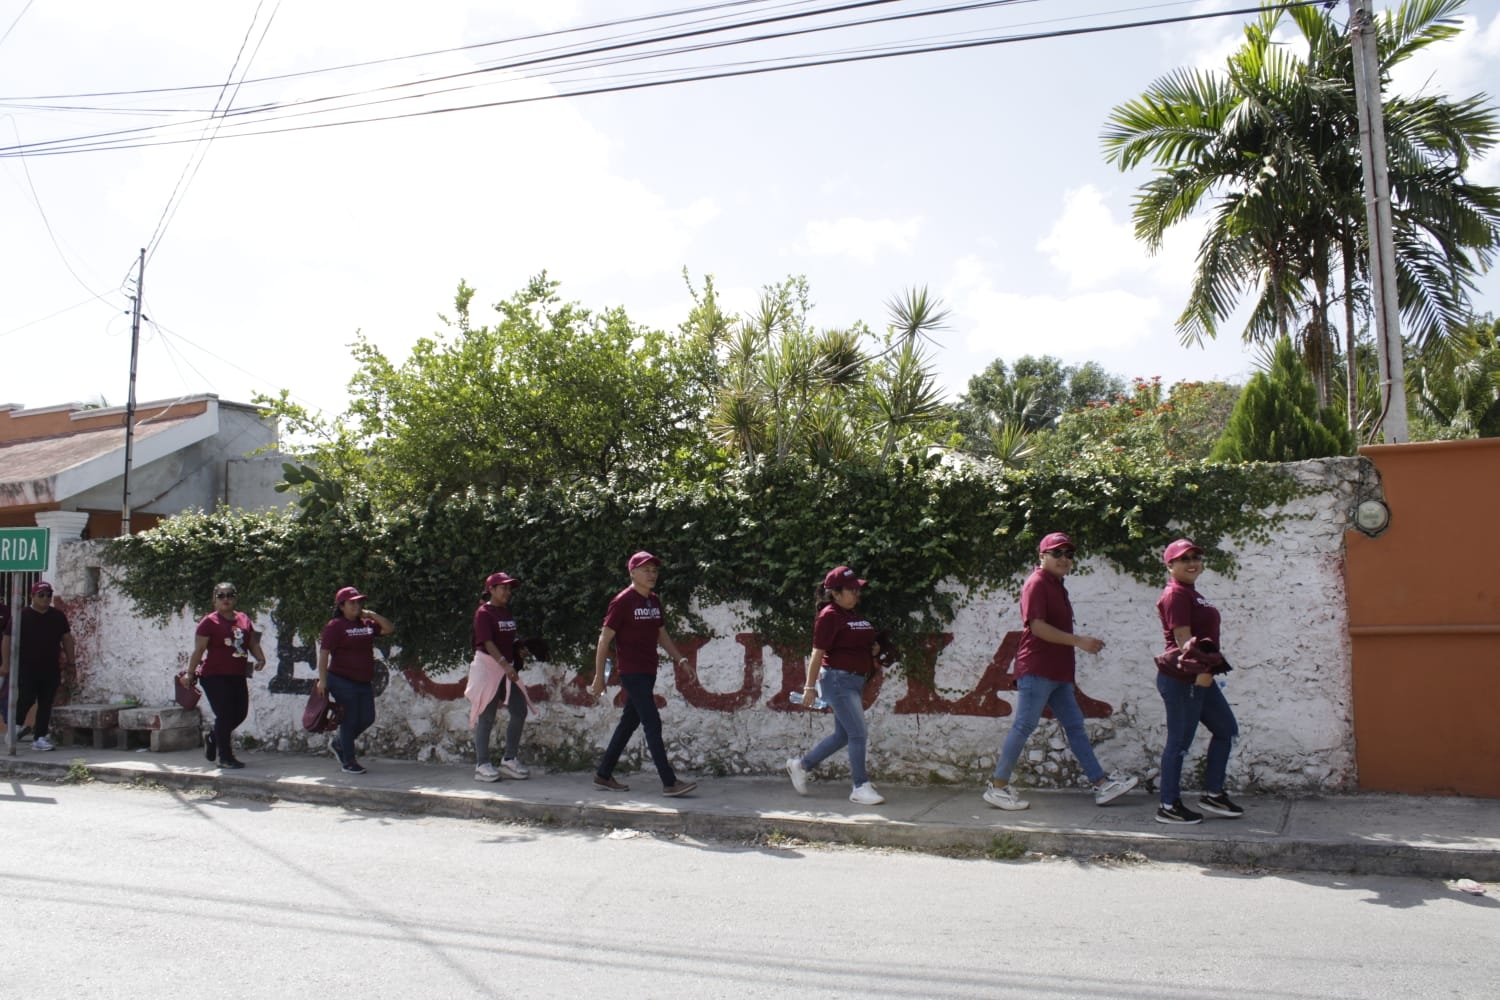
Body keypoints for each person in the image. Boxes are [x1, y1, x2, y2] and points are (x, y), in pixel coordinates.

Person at [983, 533, 1138, 810]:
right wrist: (1079, 641)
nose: (1064, 559)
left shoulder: (1056, 585)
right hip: (1038, 669)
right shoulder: (1037, 583)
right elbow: (1037, 627)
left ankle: (1101, 785)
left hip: (1058, 672)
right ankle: (998, 787)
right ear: (1042, 556)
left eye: (1069, 554)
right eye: (1057, 553)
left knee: (1075, 726)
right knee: (1025, 725)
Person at [588, 551, 697, 797]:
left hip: (649, 670)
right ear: (632, 572)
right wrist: (598, 676)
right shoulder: (622, 601)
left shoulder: (654, 600)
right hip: (632, 671)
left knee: (629, 722)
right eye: (646, 570)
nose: (652, 574)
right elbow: (604, 640)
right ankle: (669, 782)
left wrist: (680, 659)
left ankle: (603, 774)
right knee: (652, 721)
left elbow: (662, 634)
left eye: (654, 570)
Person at [1154, 538, 1243, 825]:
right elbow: (1184, 641)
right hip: (1184, 679)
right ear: (1170, 565)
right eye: (1184, 559)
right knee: (1179, 742)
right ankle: (1168, 804)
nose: (1192, 562)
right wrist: (1202, 672)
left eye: (1196, 557)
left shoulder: (1191, 593)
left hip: (1202, 676)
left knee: (1225, 729)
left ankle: (1213, 793)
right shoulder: (1176, 595)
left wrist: (1207, 672)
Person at [786, 566, 886, 805]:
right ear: (836, 593)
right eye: (851, 590)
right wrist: (809, 688)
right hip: (838, 680)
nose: (856, 594)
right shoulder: (829, 615)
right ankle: (860, 786)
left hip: (854, 680)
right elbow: (817, 652)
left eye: (857, 590)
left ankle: (802, 765)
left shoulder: (852, 614)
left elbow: (855, 641)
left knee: (843, 735)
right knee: (858, 733)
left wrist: (873, 649)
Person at [180, 582, 268, 769]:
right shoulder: (209, 622)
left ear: (235, 598)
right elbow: (199, 649)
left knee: (241, 713)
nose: (226, 599)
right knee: (225, 714)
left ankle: (213, 736)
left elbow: (252, 643)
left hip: (237, 674)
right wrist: (189, 673)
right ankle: (225, 757)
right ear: (214, 600)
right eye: (221, 596)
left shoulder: (243, 619)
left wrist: (260, 658)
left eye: (230, 595)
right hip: (214, 675)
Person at [316, 586, 395, 775]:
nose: (356, 605)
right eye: (352, 603)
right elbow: (324, 653)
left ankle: (340, 743)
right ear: (341, 606)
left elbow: (389, 628)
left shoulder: (366, 624)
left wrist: (371, 614)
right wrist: (322, 680)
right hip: (341, 679)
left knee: (368, 717)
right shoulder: (335, 626)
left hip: (363, 680)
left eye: (359, 602)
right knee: (350, 719)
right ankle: (349, 762)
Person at [465, 571, 534, 782]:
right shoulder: (484, 613)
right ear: (491, 590)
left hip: (506, 669)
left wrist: (518, 650)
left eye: (509, 588)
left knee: (519, 710)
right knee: (486, 716)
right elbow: (487, 642)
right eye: (503, 587)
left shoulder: (506, 612)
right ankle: (482, 765)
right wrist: (505, 664)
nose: (508, 591)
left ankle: (509, 760)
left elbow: (505, 641)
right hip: (489, 669)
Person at [6, 581, 75, 751]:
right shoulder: (22, 615)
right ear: (33, 596)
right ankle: (15, 726)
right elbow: (7, 639)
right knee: (26, 698)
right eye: (41, 595)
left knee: (46, 703)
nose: (46, 598)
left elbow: (67, 638)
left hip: (50, 667)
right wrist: (6, 663)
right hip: (26, 667)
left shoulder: (57, 616)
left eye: (48, 595)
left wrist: (71, 662)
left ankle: (40, 738)